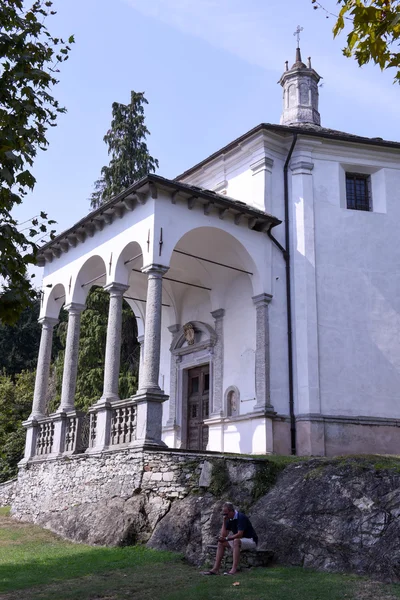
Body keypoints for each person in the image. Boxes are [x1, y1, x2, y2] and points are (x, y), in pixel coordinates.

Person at [203, 501, 258, 575]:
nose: (225, 515)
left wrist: (226, 539)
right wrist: (224, 521)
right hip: (240, 540)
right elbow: (224, 534)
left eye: (226, 513)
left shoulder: (241, 517)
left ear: (231, 511)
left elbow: (239, 534)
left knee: (236, 541)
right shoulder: (229, 519)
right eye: (224, 514)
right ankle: (215, 569)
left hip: (251, 540)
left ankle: (233, 569)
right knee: (221, 543)